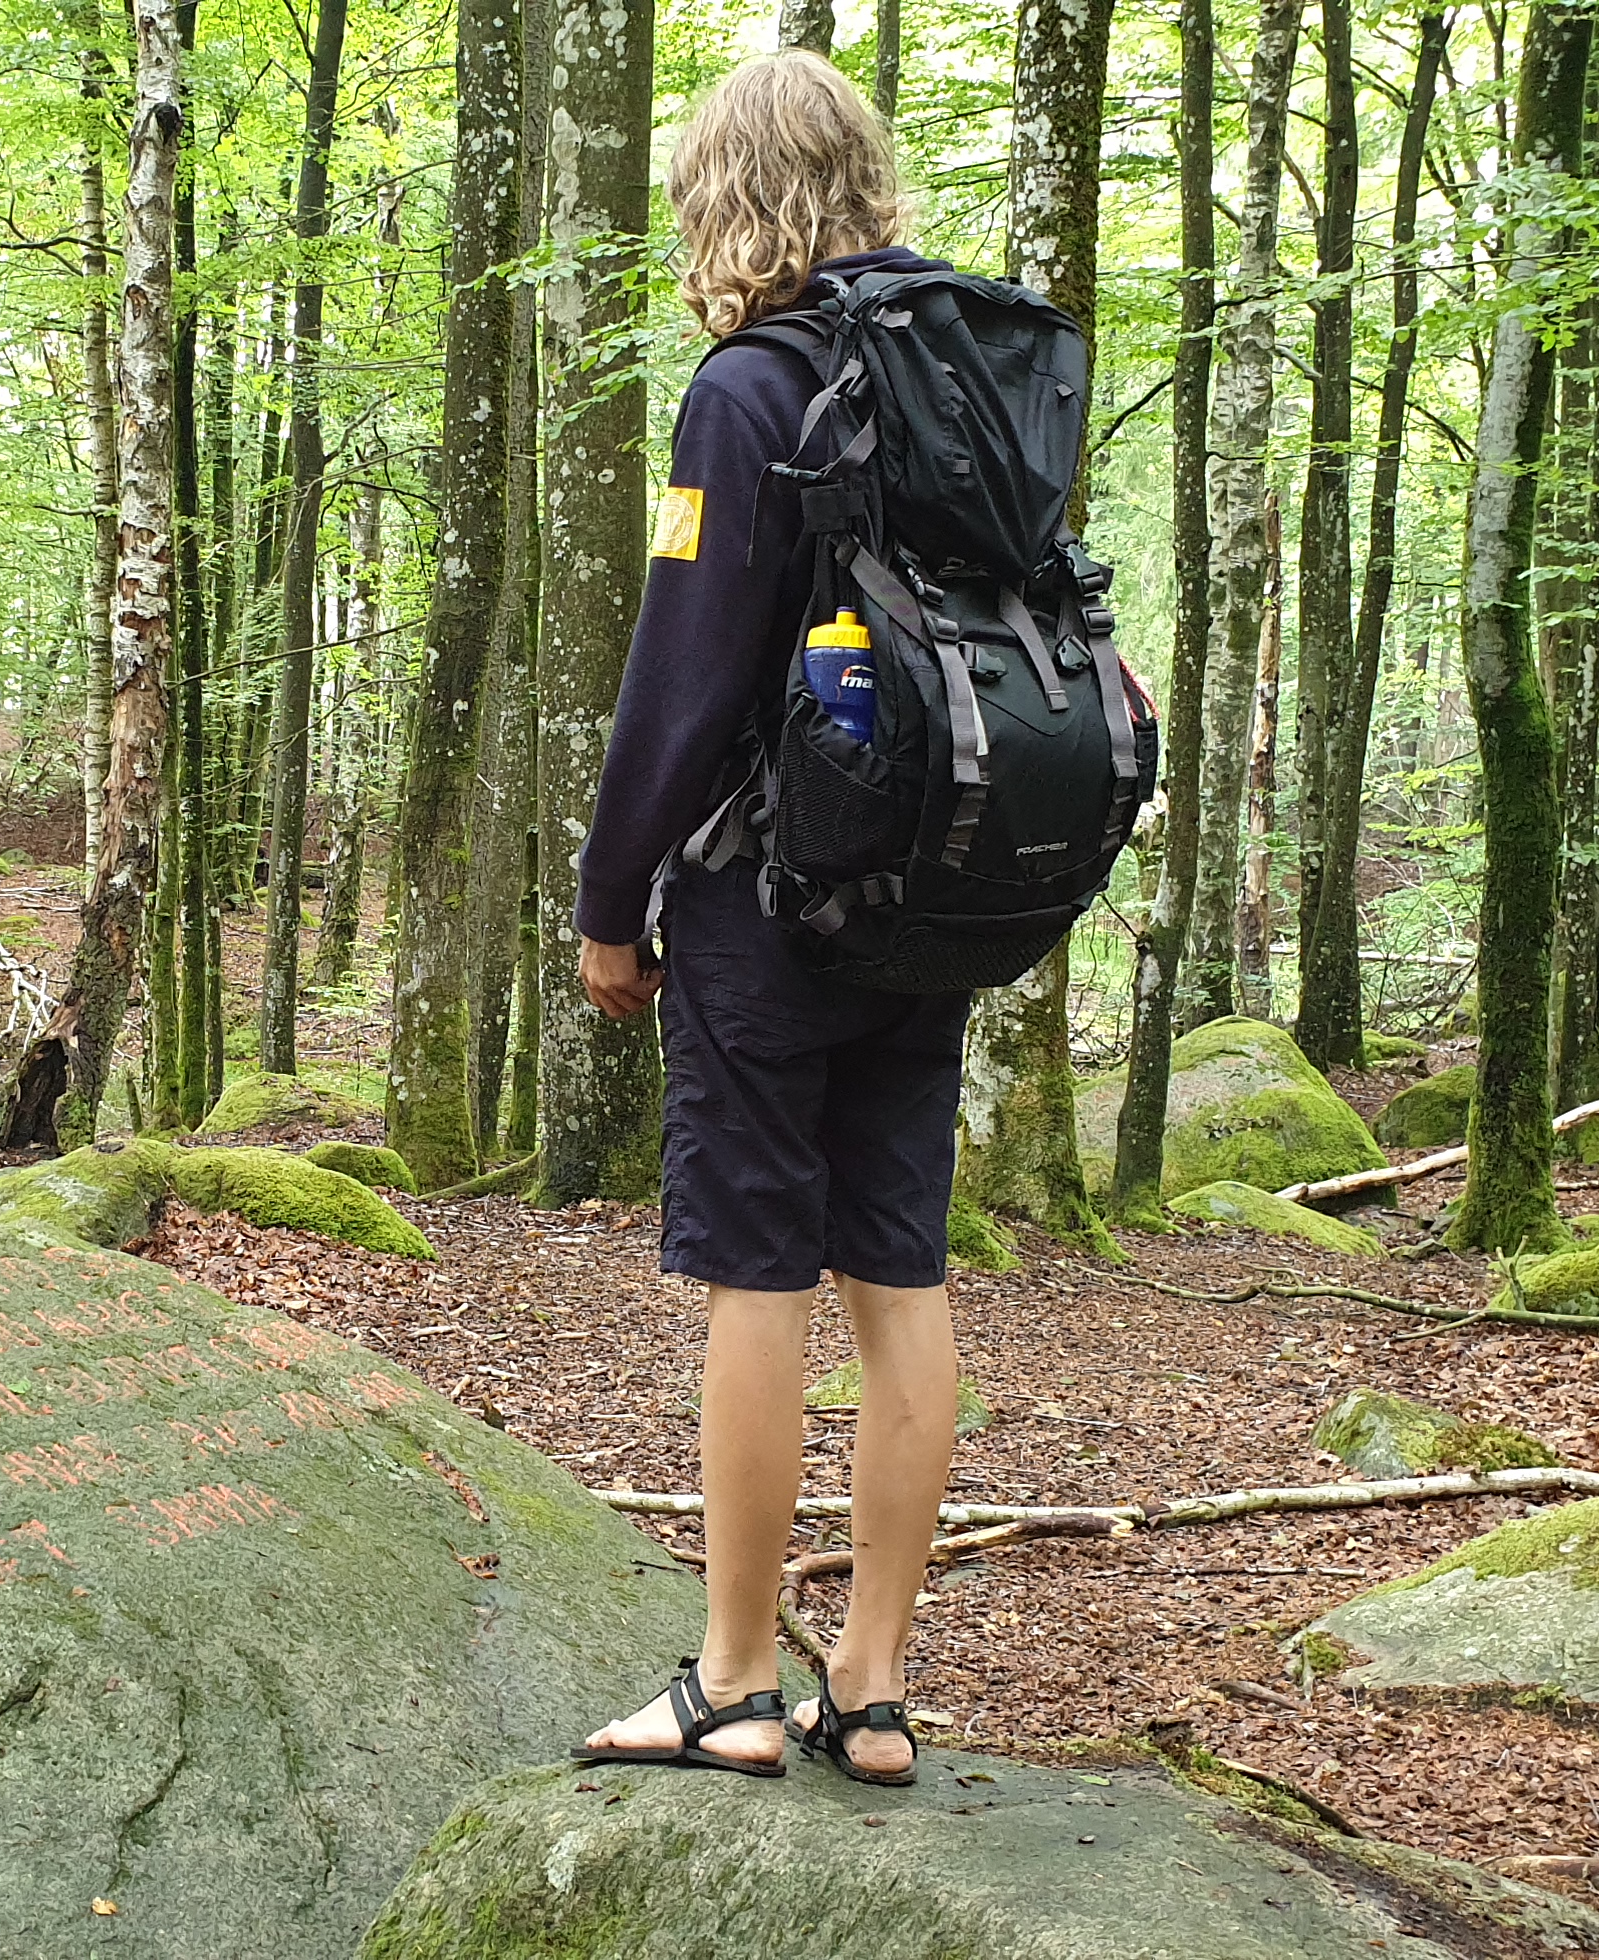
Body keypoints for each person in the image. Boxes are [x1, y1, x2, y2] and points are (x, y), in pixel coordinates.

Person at [568, 48, 963, 1790]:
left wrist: (612, 900)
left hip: (768, 896)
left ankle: (734, 1681)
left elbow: (687, 671)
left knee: (758, 1273)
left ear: (722, 199)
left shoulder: (747, 390)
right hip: (935, 894)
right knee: (898, 1269)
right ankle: (868, 1687)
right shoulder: (955, 371)